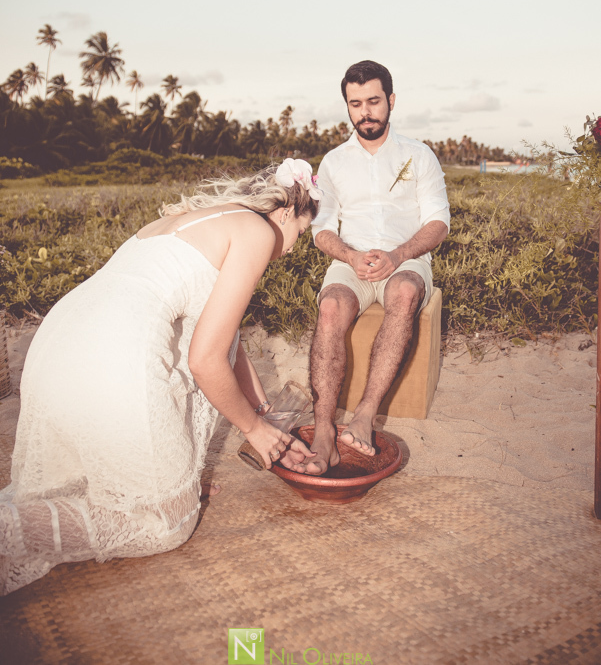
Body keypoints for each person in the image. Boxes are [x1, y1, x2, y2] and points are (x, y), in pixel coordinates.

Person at [0, 159, 320, 595]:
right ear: (285, 212)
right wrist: (254, 429)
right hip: (113, 356)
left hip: (58, 341)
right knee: (167, 524)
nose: (291, 247)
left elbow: (229, 343)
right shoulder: (259, 232)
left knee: (121, 488)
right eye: (300, 233)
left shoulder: (186, 219)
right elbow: (207, 361)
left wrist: (265, 414)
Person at [305, 61, 450, 475]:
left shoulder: (419, 155)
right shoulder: (333, 162)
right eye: (356, 104)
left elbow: (439, 222)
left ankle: (366, 415)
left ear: (390, 100)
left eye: (373, 101)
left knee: (404, 293)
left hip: (405, 259)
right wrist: (350, 257)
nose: (365, 112)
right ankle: (322, 430)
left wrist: (399, 255)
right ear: (347, 107)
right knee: (331, 306)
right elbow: (321, 230)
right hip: (352, 261)